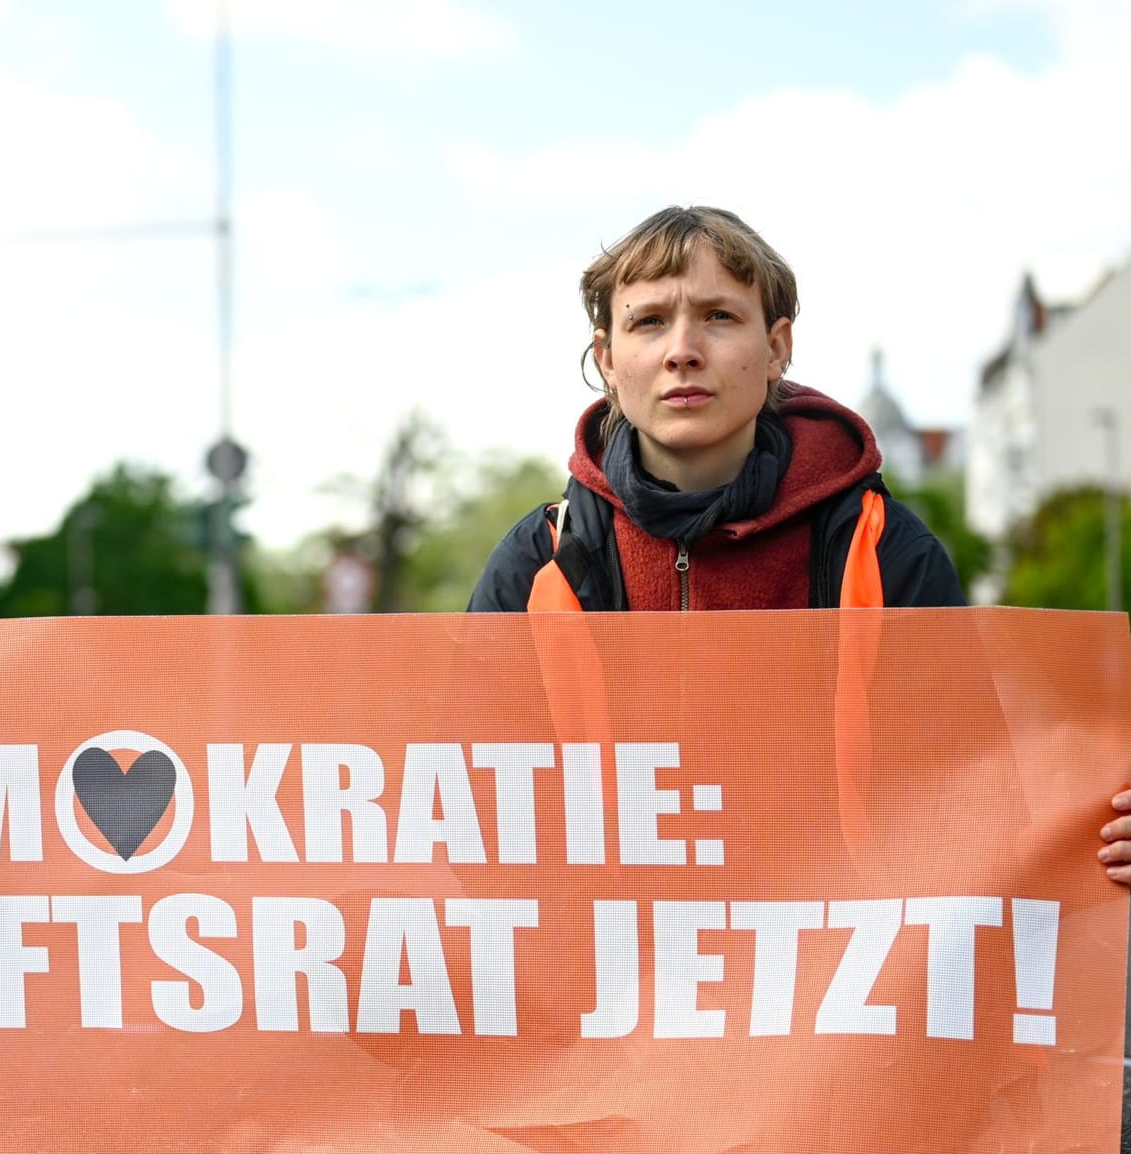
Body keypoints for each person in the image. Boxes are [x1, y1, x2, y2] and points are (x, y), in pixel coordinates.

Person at [465, 205, 1131, 886]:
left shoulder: (881, 552)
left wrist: (1097, 829)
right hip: (610, 978)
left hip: (837, 978)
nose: (683, 349)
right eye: (649, 320)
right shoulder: (538, 562)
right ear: (607, 359)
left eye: (720, 316)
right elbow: (458, 821)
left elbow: (978, 799)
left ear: (778, 346)